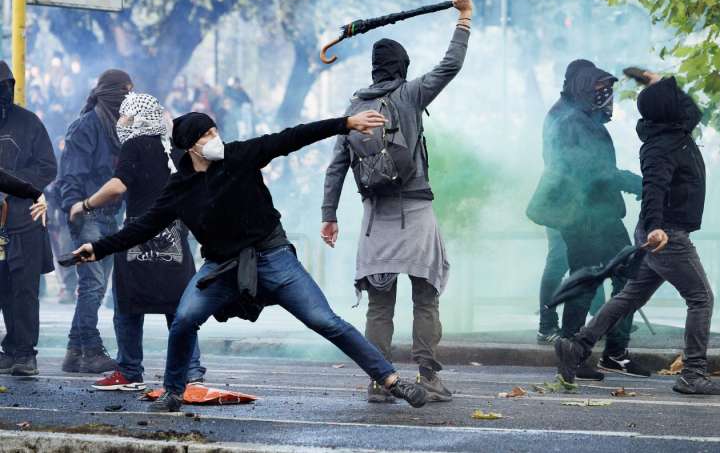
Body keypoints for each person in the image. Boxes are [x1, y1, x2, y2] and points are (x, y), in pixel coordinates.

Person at [72, 109, 429, 412]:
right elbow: (144, 227)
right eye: (207, 134)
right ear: (189, 146)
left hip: (272, 255)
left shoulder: (239, 155)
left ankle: (391, 379)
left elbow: (290, 138)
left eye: (215, 130)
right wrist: (98, 248)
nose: (215, 137)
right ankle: (173, 392)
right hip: (221, 268)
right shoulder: (179, 189)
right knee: (183, 320)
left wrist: (344, 123)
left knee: (325, 320)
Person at [320, 0, 472, 403]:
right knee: (425, 298)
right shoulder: (409, 95)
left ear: (373, 71)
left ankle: (378, 382)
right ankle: (428, 378)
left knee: (378, 308)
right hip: (417, 212)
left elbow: (337, 166)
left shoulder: (354, 106)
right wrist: (464, 19)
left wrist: (328, 214)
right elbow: (451, 65)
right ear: (402, 68)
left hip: (374, 218)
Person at [555, 71, 720, 395]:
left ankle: (577, 348)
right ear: (666, 109)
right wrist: (655, 227)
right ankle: (693, 373)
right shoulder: (660, 147)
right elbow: (653, 189)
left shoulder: (676, 130)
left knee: (630, 296)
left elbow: (694, 111)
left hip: (663, 232)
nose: (682, 104)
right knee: (701, 298)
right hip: (667, 235)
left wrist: (657, 80)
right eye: (673, 98)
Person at [75, 93, 205, 391]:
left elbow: (118, 186)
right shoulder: (175, 150)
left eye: (125, 115)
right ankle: (192, 370)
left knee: (127, 305)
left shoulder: (134, 145)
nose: (121, 121)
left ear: (137, 118)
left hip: (138, 233)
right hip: (174, 234)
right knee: (180, 307)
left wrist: (85, 205)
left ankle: (130, 370)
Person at [527, 59, 647, 380]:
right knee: (602, 283)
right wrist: (637, 183)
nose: (606, 96)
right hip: (587, 219)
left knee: (605, 282)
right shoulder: (571, 123)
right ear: (581, 88)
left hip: (597, 216)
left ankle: (594, 352)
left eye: (606, 90)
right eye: (599, 90)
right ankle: (588, 352)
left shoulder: (580, 119)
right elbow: (594, 172)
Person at [57, 69, 133, 374]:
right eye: (124, 92)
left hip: (110, 216)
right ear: (108, 93)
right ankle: (90, 349)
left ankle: (74, 352)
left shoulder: (120, 128)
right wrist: (73, 206)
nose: (128, 98)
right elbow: (71, 172)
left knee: (97, 287)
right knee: (93, 283)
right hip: (86, 214)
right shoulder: (86, 126)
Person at [0, 61, 58, 376]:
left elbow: (47, 166)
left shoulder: (28, 123)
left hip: (23, 218)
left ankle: (24, 352)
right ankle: (10, 350)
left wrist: (13, 184)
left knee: (23, 288)